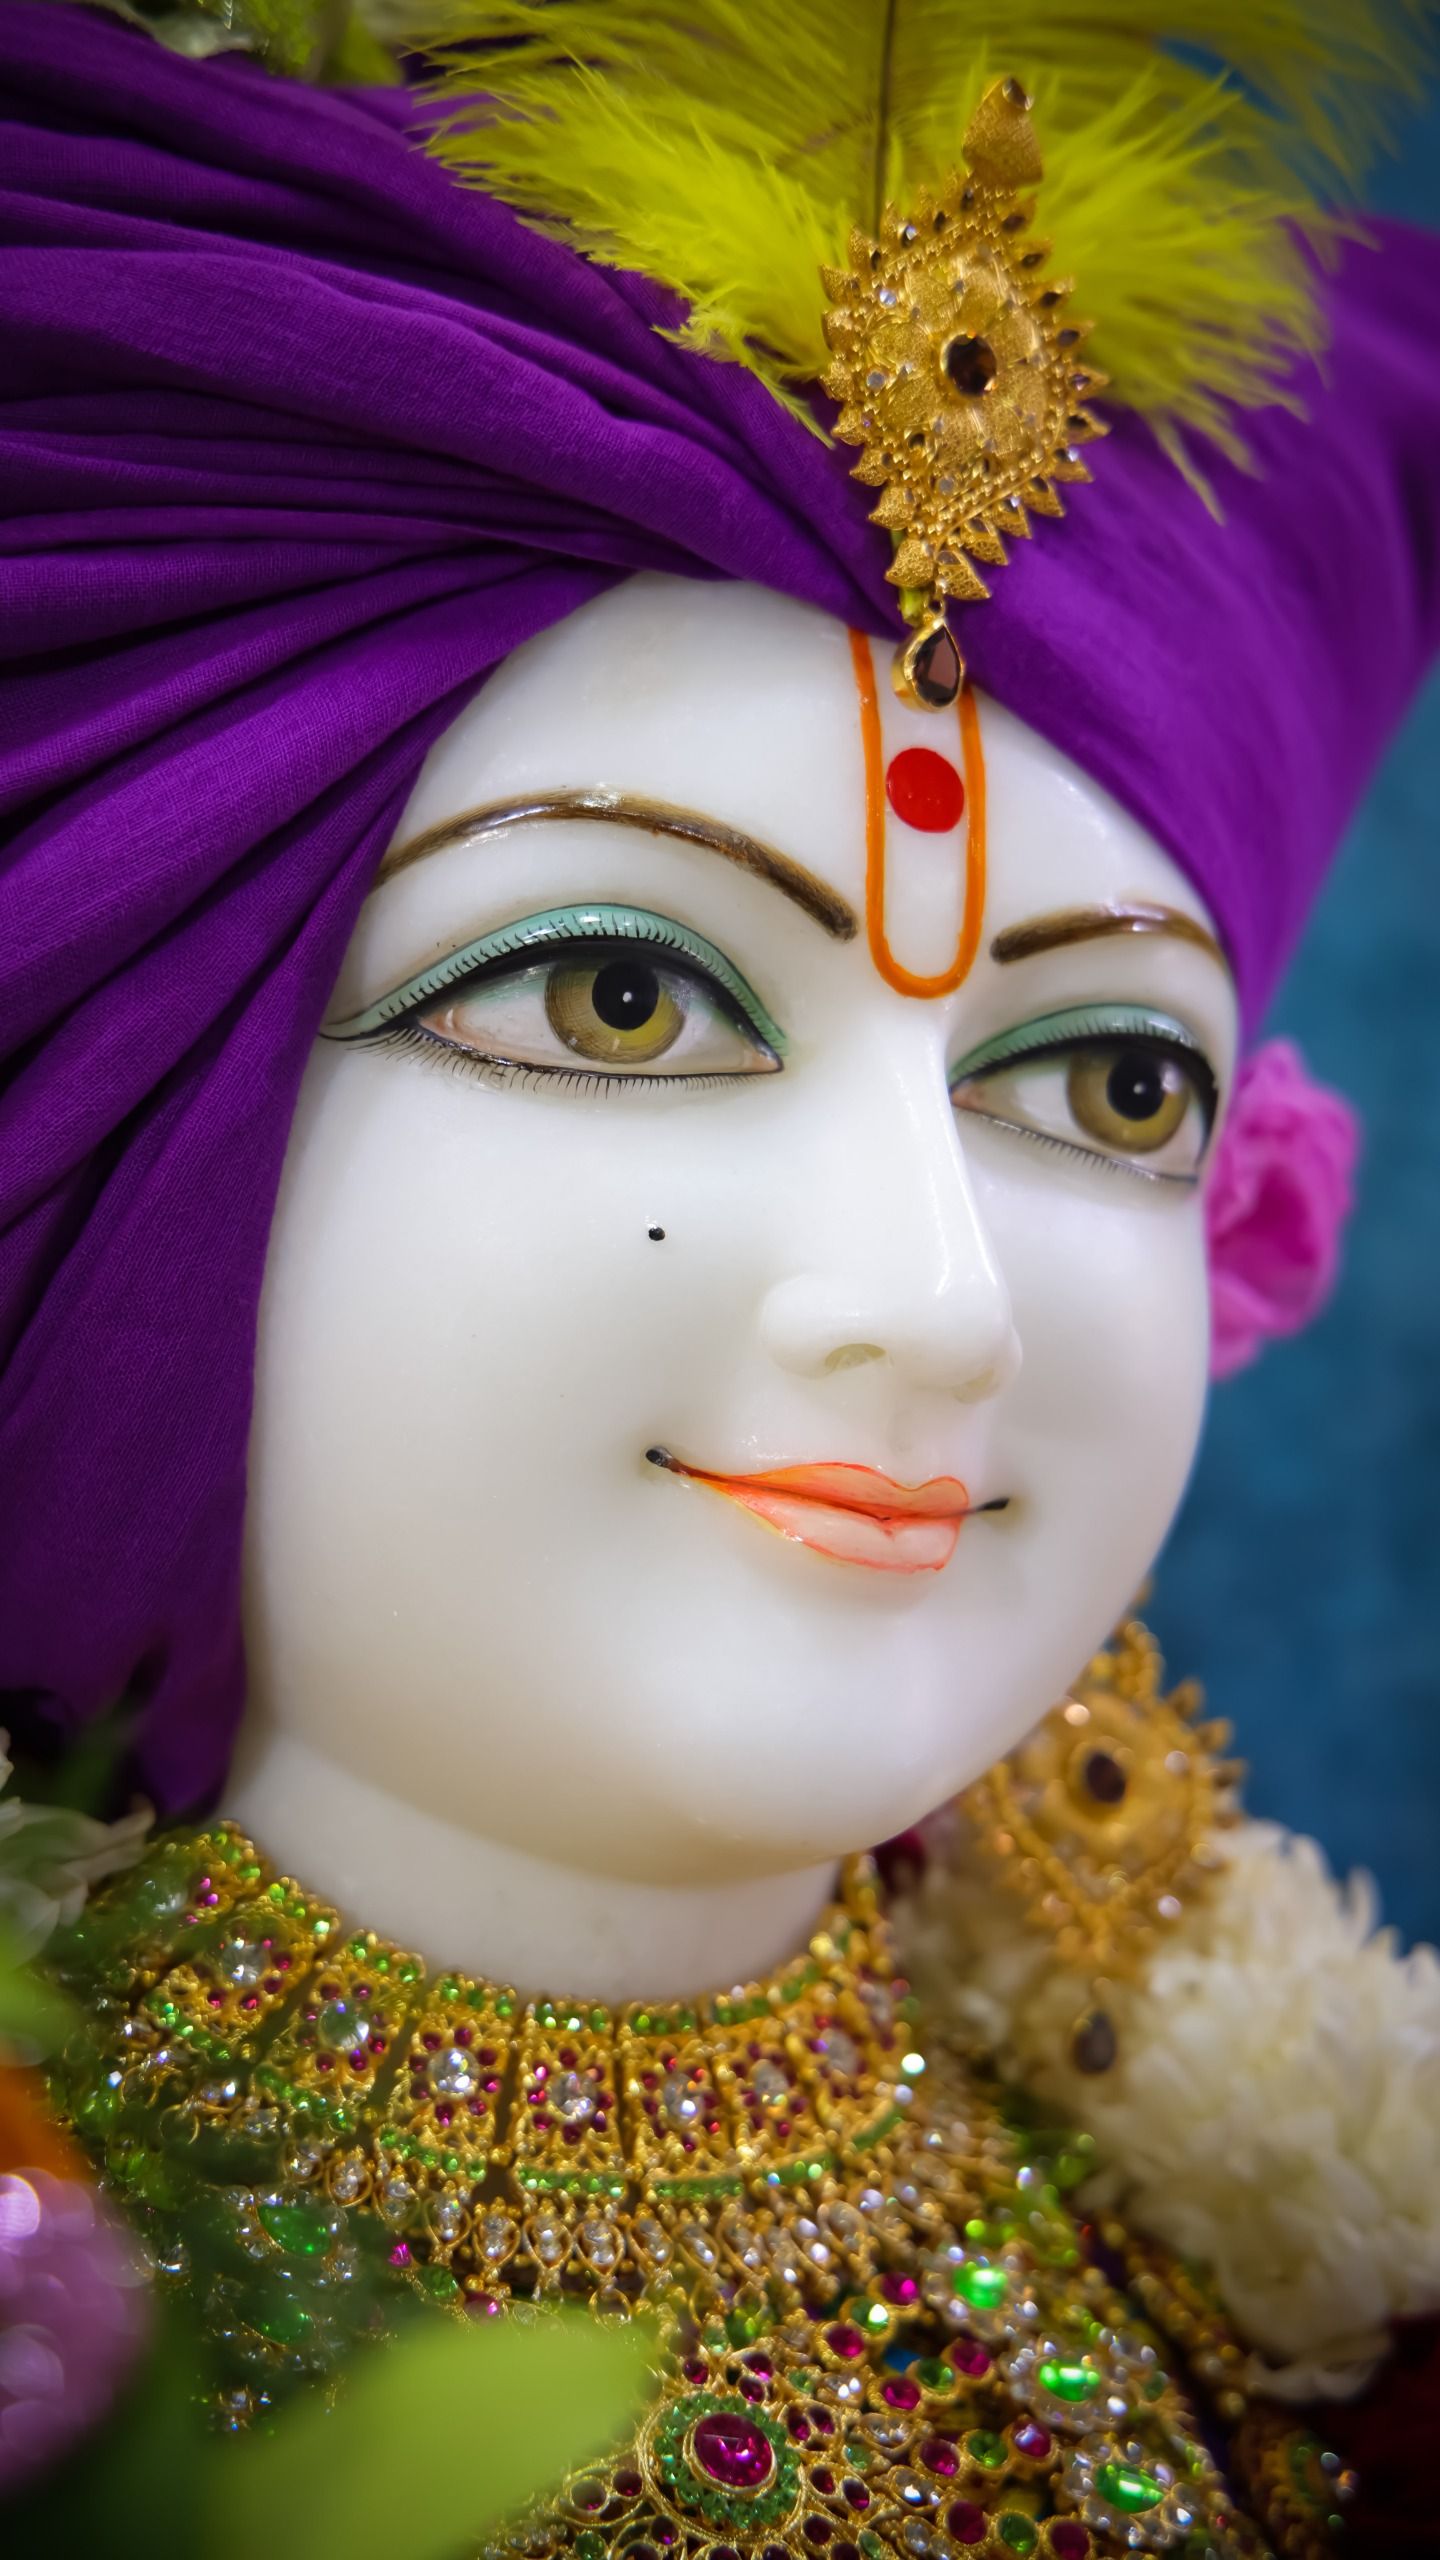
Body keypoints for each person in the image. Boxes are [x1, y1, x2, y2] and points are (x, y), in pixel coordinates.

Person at [2, 3, 1438, 2552]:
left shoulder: (1315, 2293)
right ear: (132, 1079)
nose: (940, 1299)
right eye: (621, 996)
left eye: (1107, 1082)